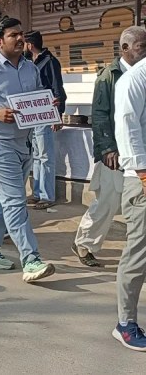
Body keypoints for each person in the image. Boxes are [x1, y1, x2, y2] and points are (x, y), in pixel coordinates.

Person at [0, 17, 55, 282]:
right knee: (15, 200)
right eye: (13, 35)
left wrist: (47, 105)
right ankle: (31, 259)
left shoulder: (30, 68)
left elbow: (36, 96)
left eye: (21, 34)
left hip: (23, 142)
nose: (19, 39)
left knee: (2, 198)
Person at [74, 27, 146, 267]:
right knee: (108, 202)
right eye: (141, 47)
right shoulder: (109, 76)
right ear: (125, 48)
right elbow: (100, 114)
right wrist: (107, 149)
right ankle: (84, 243)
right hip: (116, 154)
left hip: (140, 152)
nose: (145, 52)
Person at [112, 44, 146, 351]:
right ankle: (125, 323)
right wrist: (143, 173)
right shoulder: (134, 79)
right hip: (142, 179)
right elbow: (126, 125)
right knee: (139, 253)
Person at [24, 30, 67, 210]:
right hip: (32, 115)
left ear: (30, 44)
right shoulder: (27, 63)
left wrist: (58, 114)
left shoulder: (50, 62)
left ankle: (47, 196)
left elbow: (58, 88)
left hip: (46, 114)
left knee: (45, 156)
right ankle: (37, 193)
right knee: (36, 156)